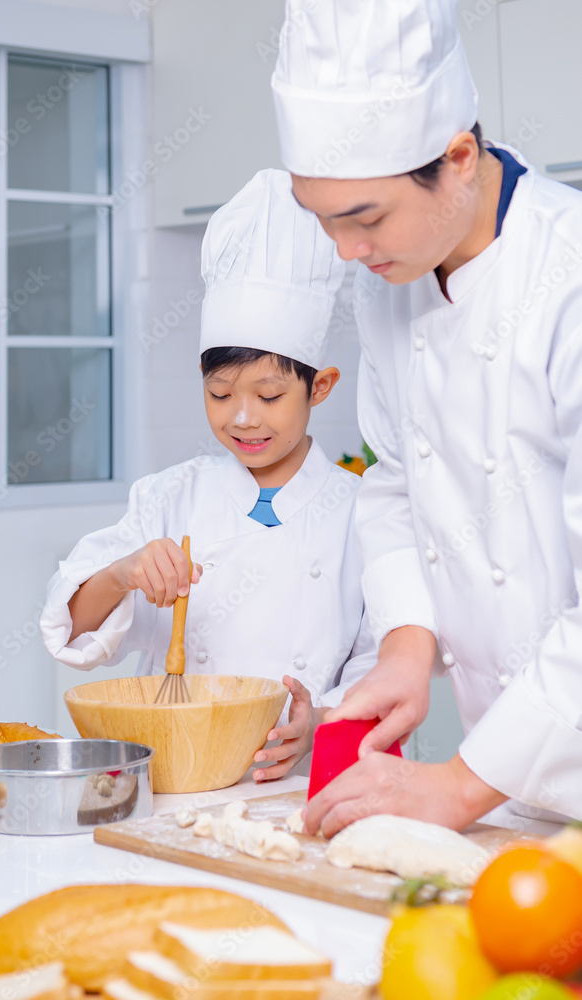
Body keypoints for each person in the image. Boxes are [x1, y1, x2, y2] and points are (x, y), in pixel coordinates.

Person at [270, 0, 582, 832]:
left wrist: (456, 788)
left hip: (501, 777)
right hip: (514, 788)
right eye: (324, 221)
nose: (347, 253)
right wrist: (408, 645)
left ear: (458, 157)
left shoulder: (571, 278)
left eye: (364, 218)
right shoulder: (395, 286)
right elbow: (397, 481)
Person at [40, 168, 376, 781]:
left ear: (319, 387)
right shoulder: (173, 495)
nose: (242, 417)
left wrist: (321, 720)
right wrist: (123, 572)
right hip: (173, 780)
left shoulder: (362, 509)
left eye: (269, 395)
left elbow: (380, 664)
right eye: (220, 394)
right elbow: (74, 626)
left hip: (290, 785)